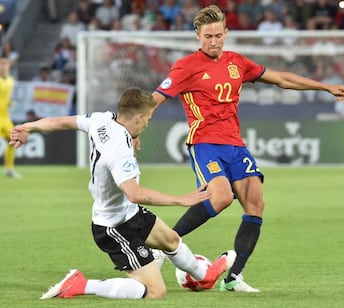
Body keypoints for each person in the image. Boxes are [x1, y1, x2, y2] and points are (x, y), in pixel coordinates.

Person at [152, 5, 344, 293]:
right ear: (197, 35)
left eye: (218, 35)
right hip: (205, 142)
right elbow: (156, 99)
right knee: (220, 197)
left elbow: (282, 79)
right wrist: (134, 130)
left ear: (226, 33)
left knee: (256, 203)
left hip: (235, 144)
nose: (214, 41)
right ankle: (163, 245)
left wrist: (323, 87)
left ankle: (233, 278)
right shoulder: (186, 66)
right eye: (208, 36)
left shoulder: (237, 62)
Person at [9, 87, 231, 300]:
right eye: (147, 120)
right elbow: (134, 193)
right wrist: (181, 200)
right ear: (137, 118)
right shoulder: (119, 151)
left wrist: (27, 127)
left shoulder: (102, 119)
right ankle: (81, 284)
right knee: (155, 291)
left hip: (129, 213)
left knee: (171, 240)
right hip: (114, 227)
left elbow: (59, 122)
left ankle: (205, 277)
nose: (146, 125)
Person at [0, 57, 21, 178]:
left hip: (5, 117)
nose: (3, 66)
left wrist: (10, 103)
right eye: (1, 63)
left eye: (5, 63)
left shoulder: (11, 81)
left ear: (9, 66)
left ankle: (9, 169)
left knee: (14, 140)